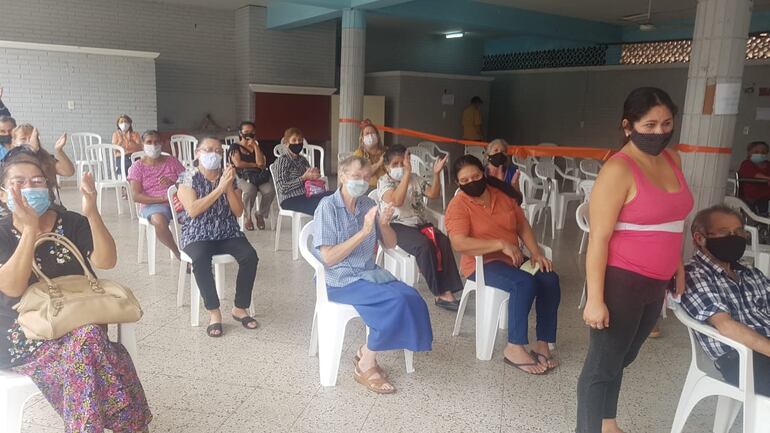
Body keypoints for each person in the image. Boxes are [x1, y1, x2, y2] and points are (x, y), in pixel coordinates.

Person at [0, 155, 152, 432]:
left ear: (48, 187)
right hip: (23, 336)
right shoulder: (2, 233)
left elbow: (107, 261)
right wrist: (30, 229)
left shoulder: (71, 222)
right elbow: (11, 287)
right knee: (96, 347)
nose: (29, 188)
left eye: (37, 181)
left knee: (87, 339)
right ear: (2, 194)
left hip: (79, 319)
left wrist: (92, 212)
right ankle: (129, 424)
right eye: (18, 182)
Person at [576, 87, 693, 433]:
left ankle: (607, 422)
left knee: (623, 356)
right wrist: (595, 299)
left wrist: (677, 264)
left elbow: (673, 222)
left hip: (656, 282)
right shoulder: (618, 169)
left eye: (666, 123)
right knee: (601, 366)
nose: (660, 132)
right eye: (650, 125)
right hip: (622, 281)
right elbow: (598, 238)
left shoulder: (673, 160)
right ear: (628, 126)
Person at [313, 155, 433, 394]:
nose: (362, 181)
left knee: (412, 297)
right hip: (339, 279)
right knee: (395, 301)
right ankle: (366, 364)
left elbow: (390, 244)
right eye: (356, 176)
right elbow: (328, 258)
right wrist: (363, 232)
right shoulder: (328, 207)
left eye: (366, 177)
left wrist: (384, 225)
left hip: (367, 273)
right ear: (343, 176)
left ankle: (365, 351)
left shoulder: (368, 204)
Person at [445, 154, 561, 375]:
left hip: (513, 259)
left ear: (484, 173)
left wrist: (536, 254)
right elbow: (459, 243)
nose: (472, 183)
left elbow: (522, 225)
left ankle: (542, 344)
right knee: (524, 283)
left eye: (475, 177)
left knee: (549, 278)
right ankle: (514, 347)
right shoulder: (458, 205)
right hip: (481, 264)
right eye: (465, 181)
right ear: (458, 183)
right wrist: (499, 244)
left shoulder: (502, 195)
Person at [682, 205, 770, 397]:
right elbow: (726, 326)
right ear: (700, 238)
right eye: (724, 232)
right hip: (742, 358)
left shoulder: (749, 272)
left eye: (738, 232)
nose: (734, 238)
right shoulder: (695, 275)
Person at [177, 137, 259, 337]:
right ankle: (214, 312)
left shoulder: (229, 175)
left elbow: (238, 211)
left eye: (217, 151)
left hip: (227, 231)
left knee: (250, 256)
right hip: (198, 232)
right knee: (200, 259)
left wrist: (228, 187)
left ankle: (240, 308)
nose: (213, 154)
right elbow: (193, 210)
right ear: (197, 153)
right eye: (208, 150)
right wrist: (219, 189)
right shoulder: (187, 176)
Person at [377, 144, 463, 310]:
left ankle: (449, 289)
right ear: (387, 166)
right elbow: (397, 201)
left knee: (443, 241)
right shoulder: (384, 182)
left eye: (403, 163)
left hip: (419, 224)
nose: (400, 167)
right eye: (395, 164)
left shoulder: (415, 178)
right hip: (395, 225)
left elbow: (433, 194)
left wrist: (436, 174)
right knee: (423, 246)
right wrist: (406, 175)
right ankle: (439, 293)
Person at [127, 130, 186, 259]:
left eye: (156, 142)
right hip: (153, 205)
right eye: (149, 142)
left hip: (177, 201)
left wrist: (173, 183)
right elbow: (136, 196)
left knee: (196, 216)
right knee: (158, 221)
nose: (153, 146)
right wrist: (162, 198)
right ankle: (178, 253)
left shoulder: (172, 161)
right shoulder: (137, 167)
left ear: (162, 144)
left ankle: (192, 252)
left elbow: (187, 181)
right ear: (142, 144)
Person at [273, 127, 332, 215]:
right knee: (324, 206)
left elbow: (309, 178)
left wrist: (314, 174)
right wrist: (303, 178)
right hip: (290, 199)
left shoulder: (302, 159)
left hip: (308, 194)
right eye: (294, 140)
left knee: (334, 197)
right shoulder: (282, 161)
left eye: (300, 140)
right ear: (286, 143)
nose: (297, 143)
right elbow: (282, 188)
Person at [231, 121, 275, 230]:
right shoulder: (235, 147)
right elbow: (238, 164)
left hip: (258, 176)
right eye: (246, 131)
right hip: (242, 175)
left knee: (269, 191)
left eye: (251, 131)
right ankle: (248, 217)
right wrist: (253, 165)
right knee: (250, 190)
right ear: (240, 133)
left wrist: (255, 146)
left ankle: (260, 214)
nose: (249, 134)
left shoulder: (257, 146)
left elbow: (260, 163)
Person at [10, 124, 76, 184]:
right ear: (14, 142)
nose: (28, 141)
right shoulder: (10, 159)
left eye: (31, 138)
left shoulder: (45, 158)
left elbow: (69, 172)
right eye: (23, 139)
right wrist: (32, 150)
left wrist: (59, 150)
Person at [737, 140, 770, 215]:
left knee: (763, 214)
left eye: (763, 152)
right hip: (750, 197)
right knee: (751, 214)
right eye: (756, 152)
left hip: (765, 197)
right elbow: (755, 175)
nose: (760, 154)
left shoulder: (768, 164)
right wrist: (768, 178)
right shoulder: (746, 163)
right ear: (749, 153)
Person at [353, 120, 386, 188]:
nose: (370, 136)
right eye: (367, 133)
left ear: (377, 136)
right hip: (367, 188)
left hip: (386, 186)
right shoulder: (359, 154)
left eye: (372, 133)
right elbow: (364, 174)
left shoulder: (386, 151)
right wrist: (379, 163)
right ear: (362, 138)